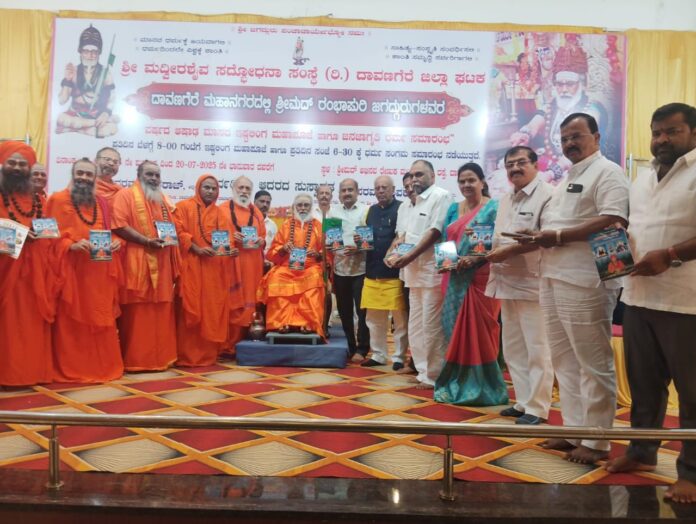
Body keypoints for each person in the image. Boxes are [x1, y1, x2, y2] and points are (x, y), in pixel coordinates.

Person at [521, 113, 629, 464]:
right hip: (553, 276)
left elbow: (613, 219)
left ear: (596, 137)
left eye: (577, 136)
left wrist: (557, 236)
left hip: (586, 280)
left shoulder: (608, 172)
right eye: (564, 138)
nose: (569, 143)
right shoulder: (568, 176)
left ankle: (597, 441)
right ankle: (573, 431)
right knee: (564, 360)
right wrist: (540, 236)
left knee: (593, 362)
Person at [605, 103, 696, 503]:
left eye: (672, 132)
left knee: (692, 393)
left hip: (686, 301)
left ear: (693, 133)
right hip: (639, 296)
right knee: (644, 384)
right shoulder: (642, 176)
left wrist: (671, 255)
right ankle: (642, 451)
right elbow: (638, 225)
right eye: (656, 132)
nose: (661, 139)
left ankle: (691, 472)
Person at [485, 147, 554, 424]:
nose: (515, 168)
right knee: (514, 347)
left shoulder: (548, 195)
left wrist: (508, 251)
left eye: (521, 162)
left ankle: (538, 407)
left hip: (532, 283)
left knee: (537, 348)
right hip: (506, 281)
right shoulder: (505, 199)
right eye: (510, 164)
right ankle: (523, 401)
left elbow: (545, 238)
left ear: (535, 165)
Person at [433, 163, 507, 405]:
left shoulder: (494, 208)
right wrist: (445, 262)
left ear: (482, 182)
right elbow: (446, 240)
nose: (466, 185)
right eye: (462, 181)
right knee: (453, 329)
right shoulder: (454, 209)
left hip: (480, 280)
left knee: (481, 333)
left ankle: (485, 384)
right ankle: (458, 378)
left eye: (471, 180)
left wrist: (475, 259)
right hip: (453, 279)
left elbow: (498, 243)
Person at [46, 158, 123, 382]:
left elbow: (107, 231)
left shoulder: (101, 203)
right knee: (71, 322)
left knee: (99, 317)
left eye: (89, 174)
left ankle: (99, 367)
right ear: (73, 174)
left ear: (95, 178)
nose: (84, 178)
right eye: (80, 173)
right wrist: (69, 245)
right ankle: (74, 367)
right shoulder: (57, 199)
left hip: (97, 274)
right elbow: (47, 236)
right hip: (69, 272)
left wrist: (116, 242)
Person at [112, 160, 181, 371]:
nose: (153, 178)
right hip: (137, 262)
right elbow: (119, 225)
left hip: (162, 263)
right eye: (149, 174)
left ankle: (161, 359)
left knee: (161, 312)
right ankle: (137, 361)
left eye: (157, 175)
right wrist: (146, 241)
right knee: (138, 313)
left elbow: (172, 229)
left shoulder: (162, 200)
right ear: (139, 175)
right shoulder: (125, 195)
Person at [389, 160, 453, 389]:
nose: (415, 179)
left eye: (420, 174)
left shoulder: (441, 196)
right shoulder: (407, 205)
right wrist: (391, 254)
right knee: (415, 326)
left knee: (432, 326)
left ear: (433, 176)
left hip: (433, 272)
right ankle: (423, 371)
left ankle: (434, 375)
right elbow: (402, 237)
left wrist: (409, 256)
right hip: (411, 274)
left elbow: (435, 232)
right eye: (412, 175)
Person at [510, 43, 609, 182]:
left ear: (581, 83)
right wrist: (524, 134)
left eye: (570, 84)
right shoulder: (552, 105)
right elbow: (536, 122)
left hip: (582, 173)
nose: (564, 89)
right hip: (553, 168)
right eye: (559, 84)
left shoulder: (593, 109)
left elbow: (578, 149)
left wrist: (552, 173)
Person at [0, 141, 56, 386]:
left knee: (30, 324)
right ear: (3, 164)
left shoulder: (38, 199)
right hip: (5, 273)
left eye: (22, 164)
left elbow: (49, 232)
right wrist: (21, 235)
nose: (16, 167)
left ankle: (30, 372)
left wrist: (42, 235)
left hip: (35, 274)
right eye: (11, 162)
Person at [175, 174, 241, 367]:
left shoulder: (221, 214)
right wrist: (195, 248)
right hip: (192, 266)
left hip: (214, 270)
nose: (210, 191)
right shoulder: (183, 207)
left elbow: (227, 240)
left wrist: (231, 250)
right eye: (206, 187)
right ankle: (187, 355)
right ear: (198, 188)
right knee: (191, 308)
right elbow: (178, 232)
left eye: (214, 188)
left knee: (211, 311)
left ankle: (207, 355)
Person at [258, 193, 325, 337]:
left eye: (306, 205)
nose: (303, 208)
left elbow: (326, 253)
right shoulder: (286, 225)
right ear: (294, 207)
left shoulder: (318, 226)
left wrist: (317, 254)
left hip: (309, 267)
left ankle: (307, 323)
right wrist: (283, 249)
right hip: (287, 267)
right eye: (299, 205)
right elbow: (272, 252)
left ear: (311, 207)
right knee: (276, 277)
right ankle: (282, 322)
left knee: (314, 280)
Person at [359, 176, 408, 370]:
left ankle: (399, 357)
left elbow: (403, 236)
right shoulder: (370, 211)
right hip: (372, 272)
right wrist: (359, 240)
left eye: (384, 187)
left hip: (394, 272)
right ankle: (378, 355)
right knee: (373, 319)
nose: (380, 191)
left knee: (399, 319)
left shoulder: (402, 208)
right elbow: (366, 238)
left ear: (393, 189)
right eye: (377, 188)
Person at [224, 176, 265, 352]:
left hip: (252, 264)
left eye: (248, 188)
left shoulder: (256, 213)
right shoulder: (222, 210)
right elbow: (214, 236)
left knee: (251, 300)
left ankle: (247, 342)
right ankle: (228, 345)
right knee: (232, 302)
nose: (244, 191)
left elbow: (263, 237)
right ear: (233, 188)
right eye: (241, 187)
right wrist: (231, 238)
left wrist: (261, 241)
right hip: (231, 262)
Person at [330, 178, 370, 361]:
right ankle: (349, 345)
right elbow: (330, 240)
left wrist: (358, 248)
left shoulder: (366, 210)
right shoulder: (333, 212)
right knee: (344, 311)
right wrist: (330, 245)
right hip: (340, 269)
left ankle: (362, 348)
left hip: (360, 268)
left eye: (350, 190)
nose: (347, 193)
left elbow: (368, 241)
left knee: (363, 311)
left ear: (357, 191)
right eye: (343, 190)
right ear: (339, 194)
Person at [56, 24, 118, 137]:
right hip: (75, 115)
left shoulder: (105, 73)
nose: (90, 55)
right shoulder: (73, 71)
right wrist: (67, 80)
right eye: (86, 51)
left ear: (99, 53)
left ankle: (80, 128)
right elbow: (61, 100)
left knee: (113, 128)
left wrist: (105, 114)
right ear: (80, 52)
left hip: (97, 116)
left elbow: (112, 98)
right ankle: (92, 127)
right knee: (61, 118)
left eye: (94, 52)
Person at [254, 189, 277, 258]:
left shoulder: (272, 225)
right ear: (254, 202)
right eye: (262, 201)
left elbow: (275, 247)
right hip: (251, 260)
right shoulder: (247, 221)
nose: (265, 205)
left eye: (268, 202)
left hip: (268, 261)